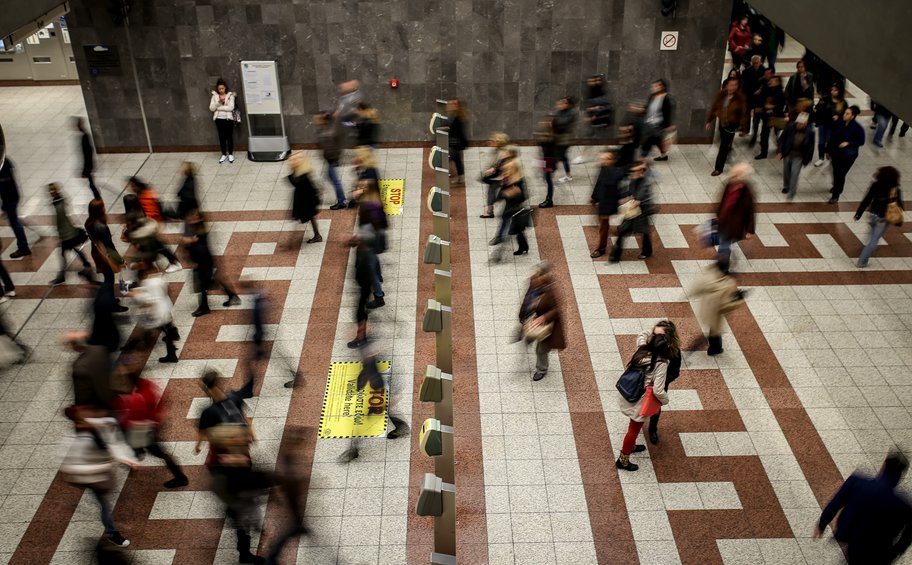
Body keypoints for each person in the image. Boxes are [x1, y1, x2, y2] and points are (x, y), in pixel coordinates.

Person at [195, 369, 268, 565]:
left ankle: (235, 514)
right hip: (225, 465)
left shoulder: (228, 402)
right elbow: (207, 434)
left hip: (239, 459)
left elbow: (244, 420)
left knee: (242, 499)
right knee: (242, 505)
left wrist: (250, 433)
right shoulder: (212, 411)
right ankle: (244, 552)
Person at [60, 405, 138, 548]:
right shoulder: (77, 441)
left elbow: (112, 443)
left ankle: (111, 530)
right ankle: (112, 533)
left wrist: (125, 459)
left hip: (101, 473)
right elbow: (70, 467)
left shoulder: (96, 424)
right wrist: (104, 467)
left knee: (107, 497)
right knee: (104, 504)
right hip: (91, 478)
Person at [814, 451, 911, 564]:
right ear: (900, 475)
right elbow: (908, 536)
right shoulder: (904, 506)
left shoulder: (857, 483)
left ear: (883, 465)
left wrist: (822, 523)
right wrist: (895, 552)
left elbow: (836, 502)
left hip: (855, 545)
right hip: (881, 552)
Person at [114, 346, 188, 488]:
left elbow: (130, 418)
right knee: (148, 447)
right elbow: (164, 400)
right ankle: (138, 451)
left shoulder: (136, 397)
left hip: (146, 429)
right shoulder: (147, 385)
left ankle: (180, 477)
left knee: (158, 452)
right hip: (152, 425)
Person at [615, 331, 672, 471]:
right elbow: (658, 390)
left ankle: (631, 446)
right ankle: (623, 460)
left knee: (633, 426)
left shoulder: (643, 349)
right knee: (633, 430)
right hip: (640, 401)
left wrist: (653, 331)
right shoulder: (661, 363)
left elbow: (641, 335)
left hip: (628, 393)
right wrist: (665, 401)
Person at [183, 210, 240, 316]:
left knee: (203, 285)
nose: (191, 219)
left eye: (194, 217)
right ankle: (232, 296)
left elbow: (203, 250)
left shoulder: (200, 232)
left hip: (205, 263)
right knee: (209, 282)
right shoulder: (195, 230)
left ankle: (204, 307)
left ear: (200, 219)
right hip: (202, 262)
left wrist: (191, 242)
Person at [519, 261, 565, 381]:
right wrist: (523, 314)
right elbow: (527, 298)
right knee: (528, 337)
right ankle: (526, 338)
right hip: (533, 317)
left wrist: (543, 318)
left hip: (548, 325)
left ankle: (542, 369)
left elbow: (557, 310)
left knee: (541, 350)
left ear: (544, 276)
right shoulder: (533, 281)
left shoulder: (550, 291)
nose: (535, 276)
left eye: (539, 274)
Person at [690, 258, 745, 355]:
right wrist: (738, 300)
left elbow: (697, 287)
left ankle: (709, 345)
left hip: (705, 307)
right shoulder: (727, 285)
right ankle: (714, 349)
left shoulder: (708, 273)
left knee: (713, 330)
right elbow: (725, 306)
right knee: (715, 331)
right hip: (715, 313)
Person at [126, 177, 182, 272]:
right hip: (152, 224)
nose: (129, 187)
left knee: (157, 245)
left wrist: (153, 225)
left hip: (153, 224)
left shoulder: (145, 195)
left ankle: (174, 262)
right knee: (154, 244)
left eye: (131, 185)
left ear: (135, 186)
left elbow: (152, 212)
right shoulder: (143, 193)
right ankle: (171, 262)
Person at [855, 166, 904, 268]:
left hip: (872, 215)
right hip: (883, 218)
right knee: (874, 239)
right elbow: (900, 205)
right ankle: (862, 261)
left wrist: (858, 213)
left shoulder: (875, 185)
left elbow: (867, 199)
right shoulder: (895, 189)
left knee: (872, 233)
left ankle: (866, 247)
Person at [131, 262, 180, 363]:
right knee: (167, 328)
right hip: (165, 307)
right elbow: (168, 291)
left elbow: (146, 301)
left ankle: (170, 352)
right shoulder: (158, 280)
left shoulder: (144, 285)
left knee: (153, 331)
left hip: (157, 312)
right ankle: (172, 347)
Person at [48, 183, 95, 286]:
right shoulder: (59, 201)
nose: (51, 193)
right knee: (73, 249)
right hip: (69, 232)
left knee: (64, 254)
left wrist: (60, 235)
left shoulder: (59, 205)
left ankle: (62, 277)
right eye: (50, 191)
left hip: (67, 234)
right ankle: (86, 265)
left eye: (52, 191)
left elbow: (60, 221)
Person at [610, 160, 655, 263]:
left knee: (641, 231)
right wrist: (625, 200)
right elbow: (632, 195)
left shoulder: (645, 184)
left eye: (635, 171)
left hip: (641, 213)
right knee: (628, 231)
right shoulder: (634, 180)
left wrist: (624, 206)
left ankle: (646, 252)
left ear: (642, 172)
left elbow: (638, 200)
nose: (631, 173)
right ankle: (616, 255)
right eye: (631, 171)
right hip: (635, 212)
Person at [644, 321, 681, 445]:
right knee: (637, 405)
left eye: (659, 335)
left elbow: (675, 372)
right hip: (643, 380)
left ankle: (652, 429)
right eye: (655, 334)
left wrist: (663, 379)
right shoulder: (649, 343)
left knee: (655, 407)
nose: (656, 338)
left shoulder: (674, 351)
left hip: (660, 384)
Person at [353, 179, 387, 309]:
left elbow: (368, 226)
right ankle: (379, 276)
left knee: (370, 269)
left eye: (362, 186)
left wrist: (360, 239)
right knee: (374, 261)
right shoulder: (374, 200)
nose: (358, 187)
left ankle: (379, 297)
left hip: (369, 240)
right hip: (375, 238)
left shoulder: (367, 205)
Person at [706, 78, 749, 176]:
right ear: (727, 85)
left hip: (731, 126)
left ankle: (718, 168)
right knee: (723, 144)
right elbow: (714, 107)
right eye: (731, 85)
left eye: (735, 85)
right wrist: (709, 120)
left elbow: (743, 114)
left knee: (723, 147)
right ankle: (728, 151)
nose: (733, 87)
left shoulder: (740, 98)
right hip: (722, 123)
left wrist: (744, 128)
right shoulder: (721, 95)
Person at [715, 163, 756, 264]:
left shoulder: (747, 193)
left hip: (734, 225)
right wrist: (718, 214)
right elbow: (723, 200)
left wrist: (750, 230)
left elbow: (750, 212)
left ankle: (723, 267)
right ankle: (723, 261)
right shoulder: (729, 184)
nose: (733, 176)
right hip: (724, 220)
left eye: (736, 174)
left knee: (724, 245)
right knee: (723, 243)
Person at [64, 331, 115, 410]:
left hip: (96, 405)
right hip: (111, 395)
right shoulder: (101, 350)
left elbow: (81, 395)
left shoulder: (79, 367)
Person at [827, 105, 865, 204]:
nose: (844, 115)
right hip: (836, 153)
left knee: (840, 174)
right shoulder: (839, 123)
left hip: (848, 156)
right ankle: (837, 188)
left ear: (853, 116)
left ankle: (836, 194)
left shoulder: (857, 128)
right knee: (837, 172)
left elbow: (861, 141)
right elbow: (832, 137)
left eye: (847, 114)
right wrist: (828, 151)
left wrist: (848, 143)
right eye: (845, 113)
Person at [491, 158, 529, 255]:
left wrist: (514, 193)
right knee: (515, 229)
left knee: (514, 229)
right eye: (505, 169)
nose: (506, 171)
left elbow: (524, 196)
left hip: (515, 208)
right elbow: (501, 193)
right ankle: (523, 246)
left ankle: (498, 253)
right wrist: (505, 194)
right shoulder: (506, 179)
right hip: (508, 207)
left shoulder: (518, 180)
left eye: (508, 169)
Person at [590, 151, 624, 258]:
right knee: (603, 226)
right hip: (604, 204)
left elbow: (615, 192)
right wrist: (594, 197)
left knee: (604, 227)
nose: (603, 161)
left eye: (606, 159)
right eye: (602, 159)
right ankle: (603, 246)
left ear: (612, 161)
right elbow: (599, 183)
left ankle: (602, 248)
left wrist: (606, 211)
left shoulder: (616, 173)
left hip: (608, 204)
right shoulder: (603, 169)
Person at [85, 199, 124, 289]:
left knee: (107, 276)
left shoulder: (88, 222)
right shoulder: (102, 227)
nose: (105, 208)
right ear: (100, 210)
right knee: (109, 278)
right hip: (105, 255)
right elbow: (109, 245)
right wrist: (118, 259)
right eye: (103, 207)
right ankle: (109, 300)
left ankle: (109, 298)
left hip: (96, 252)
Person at [777, 112, 816, 199]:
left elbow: (811, 147)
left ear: (805, 124)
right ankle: (786, 186)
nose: (799, 125)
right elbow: (781, 139)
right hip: (788, 153)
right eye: (798, 123)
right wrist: (780, 151)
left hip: (799, 156)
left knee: (795, 173)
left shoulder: (810, 132)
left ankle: (792, 192)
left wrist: (808, 159)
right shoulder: (790, 127)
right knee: (786, 172)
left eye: (801, 124)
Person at [286, 151, 322, 244]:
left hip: (306, 200)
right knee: (309, 217)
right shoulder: (300, 172)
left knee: (303, 218)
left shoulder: (303, 175)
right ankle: (317, 235)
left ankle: (291, 242)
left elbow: (296, 183)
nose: (291, 163)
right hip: (304, 199)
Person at [575, 75, 613, 164]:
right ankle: (584, 156)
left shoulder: (603, 94)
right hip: (591, 120)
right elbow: (586, 105)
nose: (593, 83)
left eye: (595, 81)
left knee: (604, 138)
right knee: (589, 137)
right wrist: (588, 112)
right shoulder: (589, 93)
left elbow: (607, 107)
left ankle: (607, 155)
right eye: (591, 81)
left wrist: (594, 113)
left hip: (601, 120)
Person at [314, 112, 346, 209]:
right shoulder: (328, 129)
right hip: (331, 159)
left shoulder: (327, 133)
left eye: (317, 118)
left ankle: (341, 202)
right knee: (328, 176)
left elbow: (330, 149)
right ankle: (339, 199)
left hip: (331, 159)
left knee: (335, 180)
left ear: (323, 120)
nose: (315, 120)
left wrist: (332, 159)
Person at [0, 159, 31, 258]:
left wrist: (5, 204)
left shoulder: (3, 165)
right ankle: (35, 231)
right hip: (12, 196)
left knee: (15, 223)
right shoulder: (6, 161)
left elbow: (4, 186)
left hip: (10, 198)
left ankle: (23, 247)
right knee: (15, 220)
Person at [813, 84, 847, 167]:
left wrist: (838, 117)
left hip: (833, 126)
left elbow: (845, 115)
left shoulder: (843, 103)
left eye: (835, 90)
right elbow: (818, 108)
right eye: (832, 90)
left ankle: (829, 155)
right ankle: (821, 158)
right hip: (823, 123)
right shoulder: (825, 99)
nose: (833, 92)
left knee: (830, 141)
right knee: (821, 141)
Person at [479, 133, 511, 218]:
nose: (490, 142)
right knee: (492, 192)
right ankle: (490, 211)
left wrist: (492, 169)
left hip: (498, 177)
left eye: (493, 141)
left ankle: (490, 211)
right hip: (497, 177)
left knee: (494, 193)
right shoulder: (496, 150)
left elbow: (499, 164)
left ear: (499, 142)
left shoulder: (502, 152)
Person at [641, 79, 674, 161]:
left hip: (658, 124)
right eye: (653, 86)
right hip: (649, 122)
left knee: (649, 140)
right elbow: (647, 108)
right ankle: (663, 156)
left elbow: (668, 113)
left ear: (662, 87)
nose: (654, 88)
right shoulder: (652, 96)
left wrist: (667, 126)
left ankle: (642, 158)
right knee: (657, 141)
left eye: (656, 86)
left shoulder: (667, 98)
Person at [755, 74, 786, 159]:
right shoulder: (767, 90)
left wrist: (772, 107)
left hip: (777, 117)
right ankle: (763, 153)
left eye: (774, 81)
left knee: (779, 135)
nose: (771, 82)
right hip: (767, 117)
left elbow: (781, 106)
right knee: (764, 135)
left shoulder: (780, 93)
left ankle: (781, 150)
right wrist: (761, 108)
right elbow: (762, 100)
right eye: (771, 80)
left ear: (778, 82)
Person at [73, 116, 102, 199]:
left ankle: (98, 198)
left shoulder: (84, 137)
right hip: (89, 165)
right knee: (91, 183)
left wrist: (85, 170)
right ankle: (97, 197)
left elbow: (87, 154)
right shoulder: (85, 135)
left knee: (91, 184)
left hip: (88, 165)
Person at [740, 56, 767, 146]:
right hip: (749, 96)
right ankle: (746, 130)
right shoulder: (746, 72)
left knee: (756, 117)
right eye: (754, 63)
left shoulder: (764, 71)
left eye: (758, 62)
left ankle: (755, 134)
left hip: (759, 98)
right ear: (751, 63)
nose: (756, 64)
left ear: (760, 62)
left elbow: (765, 83)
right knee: (746, 114)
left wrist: (760, 90)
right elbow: (744, 85)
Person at [209, 79, 237, 164]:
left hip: (228, 119)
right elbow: (211, 108)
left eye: (222, 88)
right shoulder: (215, 96)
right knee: (222, 138)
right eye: (219, 89)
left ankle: (231, 154)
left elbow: (231, 107)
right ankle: (224, 154)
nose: (221, 90)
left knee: (229, 137)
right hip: (218, 119)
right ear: (217, 89)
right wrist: (218, 102)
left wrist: (219, 108)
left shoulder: (230, 96)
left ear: (225, 88)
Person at [552, 97, 576, 183]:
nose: (561, 105)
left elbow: (563, 123)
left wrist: (555, 122)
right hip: (559, 137)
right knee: (561, 156)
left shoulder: (571, 113)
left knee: (562, 156)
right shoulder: (559, 112)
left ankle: (568, 175)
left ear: (569, 104)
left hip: (565, 138)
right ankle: (566, 174)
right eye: (561, 103)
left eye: (564, 103)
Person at [536, 119, 559, 208]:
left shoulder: (553, 137)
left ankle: (549, 200)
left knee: (548, 180)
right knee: (546, 179)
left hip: (550, 161)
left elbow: (555, 152)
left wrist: (551, 165)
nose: (543, 124)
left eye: (546, 123)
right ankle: (548, 199)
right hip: (545, 159)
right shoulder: (547, 135)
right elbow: (542, 150)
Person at [446, 99, 469, 186]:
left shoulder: (458, 117)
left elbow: (456, 132)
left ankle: (460, 178)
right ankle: (461, 178)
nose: (450, 105)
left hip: (457, 143)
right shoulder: (455, 115)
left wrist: (451, 143)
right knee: (457, 160)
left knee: (450, 159)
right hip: (457, 142)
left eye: (452, 104)